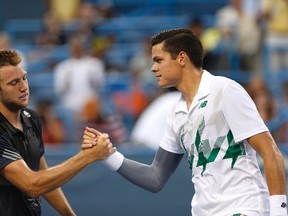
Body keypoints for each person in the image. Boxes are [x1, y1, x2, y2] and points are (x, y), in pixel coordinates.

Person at [83, 28, 287, 215]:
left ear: (182, 58)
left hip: (243, 209)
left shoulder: (225, 90)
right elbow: (155, 178)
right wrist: (109, 155)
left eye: (158, 60)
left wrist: (279, 212)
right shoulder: (175, 113)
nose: (153, 68)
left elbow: (270, 152)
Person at [0, 50, 115, 215]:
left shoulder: (31, 119)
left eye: (24, 78)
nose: (24, 87)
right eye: (14, 83)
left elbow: (43, 177)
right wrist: (88, 156)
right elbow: (32, 185)